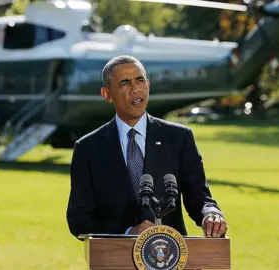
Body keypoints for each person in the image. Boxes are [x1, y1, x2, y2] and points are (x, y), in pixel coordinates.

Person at [66, 55, 227, 239]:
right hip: (114, 259)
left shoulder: (180, 138)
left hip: (172, 259)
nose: (135, 89)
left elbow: (199, 198)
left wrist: (211, 213)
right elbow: (79, 219)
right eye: (125, 83)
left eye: (140, 80)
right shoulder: (88, 148)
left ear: (148, 85)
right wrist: (127, 233)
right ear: (107, 94)